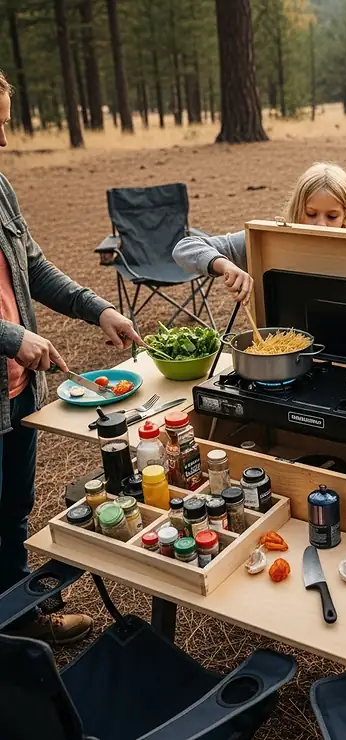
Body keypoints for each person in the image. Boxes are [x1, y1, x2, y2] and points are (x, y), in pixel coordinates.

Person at [0, 71, 141, 644]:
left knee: (13, 515)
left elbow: (33, 267)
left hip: (13, 395)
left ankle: (20, 623)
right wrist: (12, 338)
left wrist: (97, 308)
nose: (4, 142)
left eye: (4, 125)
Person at [173, 162, 346, 303]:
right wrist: (224, 265)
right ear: (298, 209)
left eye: (332, 216)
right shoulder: (268, 241)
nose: (321, 224)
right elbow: (185, 247)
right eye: (311, 213)